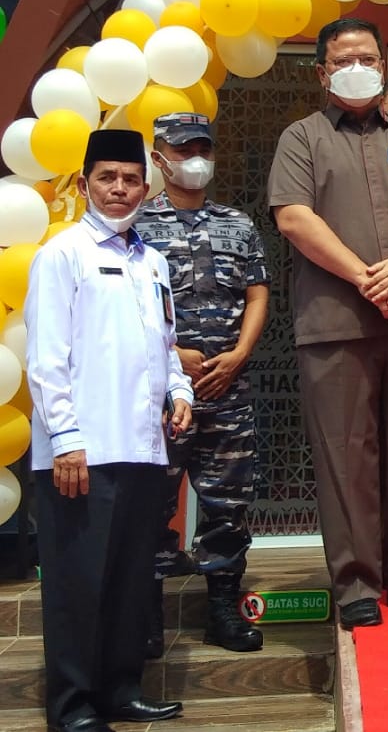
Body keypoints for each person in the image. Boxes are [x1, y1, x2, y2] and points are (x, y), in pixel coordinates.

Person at [268, 16, 388, 629]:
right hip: (336, 322)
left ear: (384, 65)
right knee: (345, 456)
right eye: (344, 59)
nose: (358, 68)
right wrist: (366, 278)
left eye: (368, 58)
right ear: (322, 73)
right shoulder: (302, 137)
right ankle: (356, 585)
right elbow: (294, 218)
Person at [26, 129, 190, 732]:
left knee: (129, 580)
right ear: (83, 183)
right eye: (107, 178)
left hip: (143, 448)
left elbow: (165, 344)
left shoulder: (153, 262)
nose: (119, 189)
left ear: (146, 189)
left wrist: (180, 391)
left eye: (130, 179)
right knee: (77, 584)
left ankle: (122, 689)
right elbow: (46, 359)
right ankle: (72, 706)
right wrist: (66, 440)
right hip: (82, 453)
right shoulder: (62, 254)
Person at [135, 113, 269, 655]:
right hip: (160, 394)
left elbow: (257, 292)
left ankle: (223, 611)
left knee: (228, 507)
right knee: (149, 503)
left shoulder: (237, 223)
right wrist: (172, 355)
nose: (195, 158)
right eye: (182, 149)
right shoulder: (136, 225)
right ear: (159, 157)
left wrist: (239, 354)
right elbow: (126, 306)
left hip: (228, 390)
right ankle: (145, 617)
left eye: (202, 149)